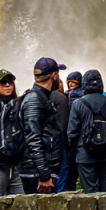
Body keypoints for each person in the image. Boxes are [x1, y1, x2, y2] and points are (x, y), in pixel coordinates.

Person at [67, 70, 106, 193]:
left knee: (90, 195)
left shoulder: (77, 104)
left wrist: (77, 151)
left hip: (85, 156)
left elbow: (72, 133)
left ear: (84, 83)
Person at [19, 57, 67, 194]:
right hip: (38, 175)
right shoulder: (35, 99)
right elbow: (33, 138)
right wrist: (44, 175)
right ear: (54, 75)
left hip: (42, 171)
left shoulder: (43, 97)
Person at [57, 71, 83, 191]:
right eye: (70, 82)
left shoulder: (78, 94)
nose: (71, 84)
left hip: (71, 130)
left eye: (74, 82)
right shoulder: (66, 94)